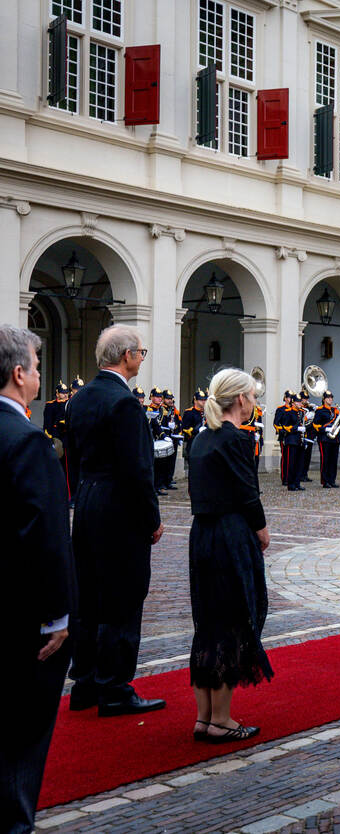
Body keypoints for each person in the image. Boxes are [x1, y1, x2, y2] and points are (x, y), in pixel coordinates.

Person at [64, 324, 165, 716]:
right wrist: (152, 518)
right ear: (127, 356)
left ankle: (85, 683)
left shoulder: (81, 399)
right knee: (122, 596)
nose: (142, 357)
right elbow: (137, 469)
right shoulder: (124, 404)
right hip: (119, 508)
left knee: (88, 597)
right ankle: (115, 687)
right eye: (141, 351)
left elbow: (73, 454)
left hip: (87, 502)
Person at [0, 325, 74, 834]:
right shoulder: (27, 441)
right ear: (18, 373)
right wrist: (58, 616)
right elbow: (45, 535)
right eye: (36, 364)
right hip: (18, 618)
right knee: (19, 742)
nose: (40, 374)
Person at [187, 368, 272, 743]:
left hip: (202, 534)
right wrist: (262, 529)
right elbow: (246, 492)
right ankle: (221, 719)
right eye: (252, 397)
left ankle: (204, 717)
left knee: (207, 623)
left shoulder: (202, 438)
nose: (254, 403)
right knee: (233, 622)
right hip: (229, 535)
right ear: (240, 400)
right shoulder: (236, 439)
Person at [42, 380, 71, 492]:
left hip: (67, 437)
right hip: (56, 437)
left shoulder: (70, 403)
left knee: (67, 467)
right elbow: (47, 424)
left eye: (65, 392)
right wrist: (50, 439)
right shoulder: (51, 405)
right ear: (57, 393)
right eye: (62, 392)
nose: (64, 394)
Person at [273, 390, 305, 491]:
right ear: (293, 402)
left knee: (299, 463)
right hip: (291, 440)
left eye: (301, 402)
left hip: (299, 440)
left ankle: (297, 482)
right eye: (298, 402)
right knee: (291, 463)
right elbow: (285, 426)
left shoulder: (301, 412)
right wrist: (296, 429)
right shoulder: (287, 412)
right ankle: (290, 483)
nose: (300, 404)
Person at [312, 390, 340, 488]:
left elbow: (339, 424)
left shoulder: (335, 410)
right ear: (324, 399)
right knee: (325, 460)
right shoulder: (320, 410)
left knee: (333, 460)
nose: (330, 399)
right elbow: (315, 425)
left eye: (331, 397)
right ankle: (325, 481)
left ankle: (332, 480)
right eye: (328, 397)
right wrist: (325, 429)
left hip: (334, 438)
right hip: (324, 439)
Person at [180, 388, 208, 481]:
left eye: (205, 400)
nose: (204, 402)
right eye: (201, 400)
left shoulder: (207, 413)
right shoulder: (189, 412)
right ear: (195, 400)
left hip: (206, 444)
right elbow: (184, 429)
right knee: (194, 471)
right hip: (194, 443)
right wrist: (196, 430)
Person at [159, 388, 182, 491]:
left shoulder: (173, 409)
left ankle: (168, 481)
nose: (170, 400)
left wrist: (177, 431)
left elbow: (178, 421)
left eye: (171, 398)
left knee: (171, 461)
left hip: (174, 437)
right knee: (164, 462)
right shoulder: (161, 409)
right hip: (165, 437)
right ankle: (162, 482)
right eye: (168, 399)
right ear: (163, 399)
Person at [297, 390, 314, 483]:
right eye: (304, 399)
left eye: (307, 399)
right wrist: (307, 417)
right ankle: (299, 474)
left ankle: (305, 474)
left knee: (308, 457)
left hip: (310, 435)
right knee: (301, 456)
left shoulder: (310, 408)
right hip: (302, 435)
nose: (306, 401)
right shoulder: (299, 409)